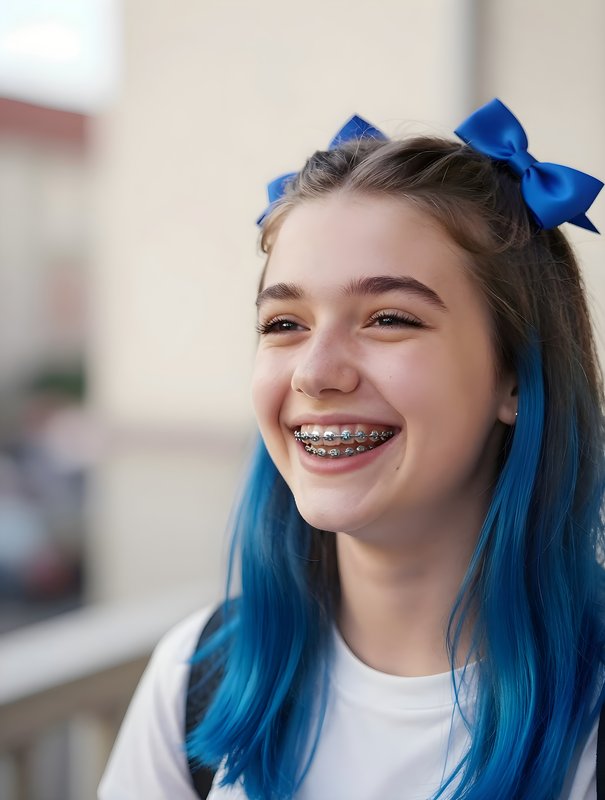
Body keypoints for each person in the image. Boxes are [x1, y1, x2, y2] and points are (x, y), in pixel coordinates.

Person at [98, 99, 605, 800]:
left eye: (389, 318)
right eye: (284, 323)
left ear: (515, 374)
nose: (314, 373)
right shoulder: (193, 680)